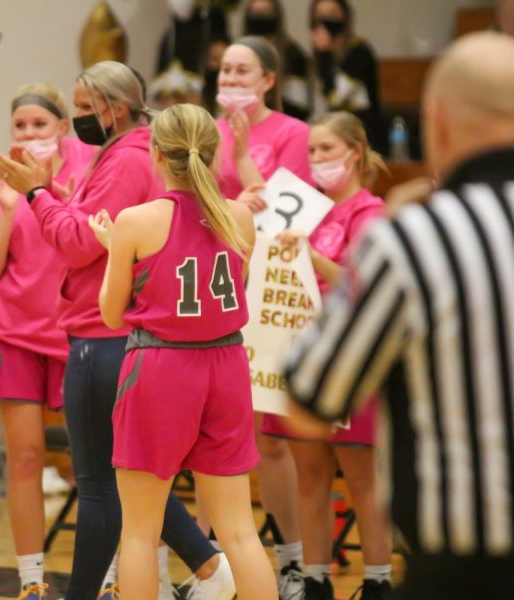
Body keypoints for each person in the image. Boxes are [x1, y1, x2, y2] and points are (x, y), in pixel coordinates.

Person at [0, 60, 234, 600]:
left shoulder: (125, 158)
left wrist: (37, 195)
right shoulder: (123, 156)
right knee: (130, 482)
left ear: (115, 108)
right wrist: (49, 192)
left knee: (103, 485)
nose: (76, 119)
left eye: (82, 108)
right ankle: (212, 569)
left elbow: (80, 243)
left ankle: (201, 571)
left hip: (107, 336)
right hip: (149, 342)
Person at [284, 32, 514, 599]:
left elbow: (310, 400)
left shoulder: (415, 236)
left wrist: (373, 258)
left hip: (469, 562)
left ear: (435, 121)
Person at [88, 102, 276, 600]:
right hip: (227, 364)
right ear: (214, 156)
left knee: (140, 532)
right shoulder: (239, 217)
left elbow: (110, 314)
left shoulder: (135, 221)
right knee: (239, 531)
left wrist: (115, 249)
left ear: (155, 153)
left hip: (162, 365)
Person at [263, 111, 393, 600]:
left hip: (353, 361)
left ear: (354, 153)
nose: (316, 160)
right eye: (311, 151)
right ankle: (316, 579)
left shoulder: (370, 212)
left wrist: (314, 259)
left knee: (362, 478)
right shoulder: (301, 208)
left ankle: (377, 580)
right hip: (300, 354)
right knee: (309, 475)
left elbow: (365, 286)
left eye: (326, 150)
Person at [0, 83, 96, 598]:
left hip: (77, 331)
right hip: (12, 334)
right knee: (24, 459)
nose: (29, 134)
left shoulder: (89, 170)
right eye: (20, 126)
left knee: (93, 462)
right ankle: (31, 582)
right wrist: (6, 209)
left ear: (63, 127)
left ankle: (106, 579)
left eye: (39, 125)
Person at [213, 35, 311, 599]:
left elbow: (290, 216)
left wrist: (249, 162)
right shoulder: (207, 129)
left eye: (242, 69)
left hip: (271, 292)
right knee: (220, 434)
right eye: (225, 68)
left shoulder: (293, 134)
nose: (231, 77)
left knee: (271, 439)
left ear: (268, 79)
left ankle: (292, 561)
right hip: (220, 290)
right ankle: (216, 567)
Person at [309, 0, 383, 153]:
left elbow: (335, 97)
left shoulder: (359, 51)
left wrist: (324, 54)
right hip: (335, 132)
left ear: (345, 17)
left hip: (363, 135)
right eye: (320, 15)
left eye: (332, 14)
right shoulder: (321, 56)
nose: (325, 21)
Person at [242, 0, 312, 121]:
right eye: (255, 13)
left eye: (265, 13)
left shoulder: (292, 54)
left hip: (283, 125)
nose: (260, 19)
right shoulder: (238, 52)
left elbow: (300, 106)